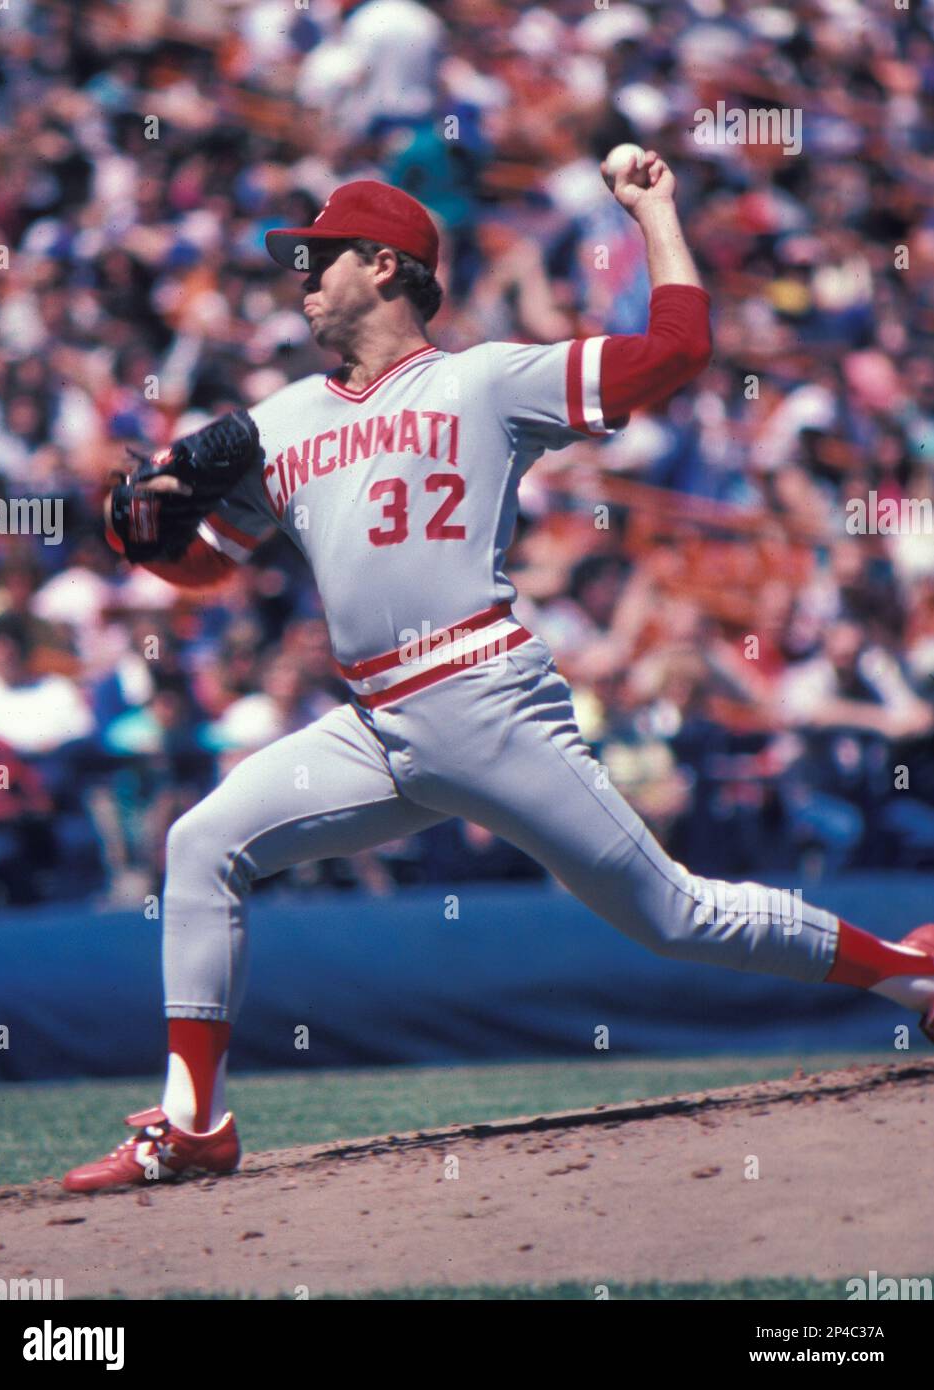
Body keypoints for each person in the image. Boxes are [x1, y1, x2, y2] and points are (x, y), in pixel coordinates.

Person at [63, 161, 934, 1193]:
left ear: (384, 266)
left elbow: (678, 350)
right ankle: (193, 1121)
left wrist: (655, 210)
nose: (297, 277)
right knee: (201, 842)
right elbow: (211, 564)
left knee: (676, 915)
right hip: (375, 726)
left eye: (317, 257)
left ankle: (911, 971)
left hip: (485, 699)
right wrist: (144, 540)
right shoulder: (283, 416)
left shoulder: (483, 380)